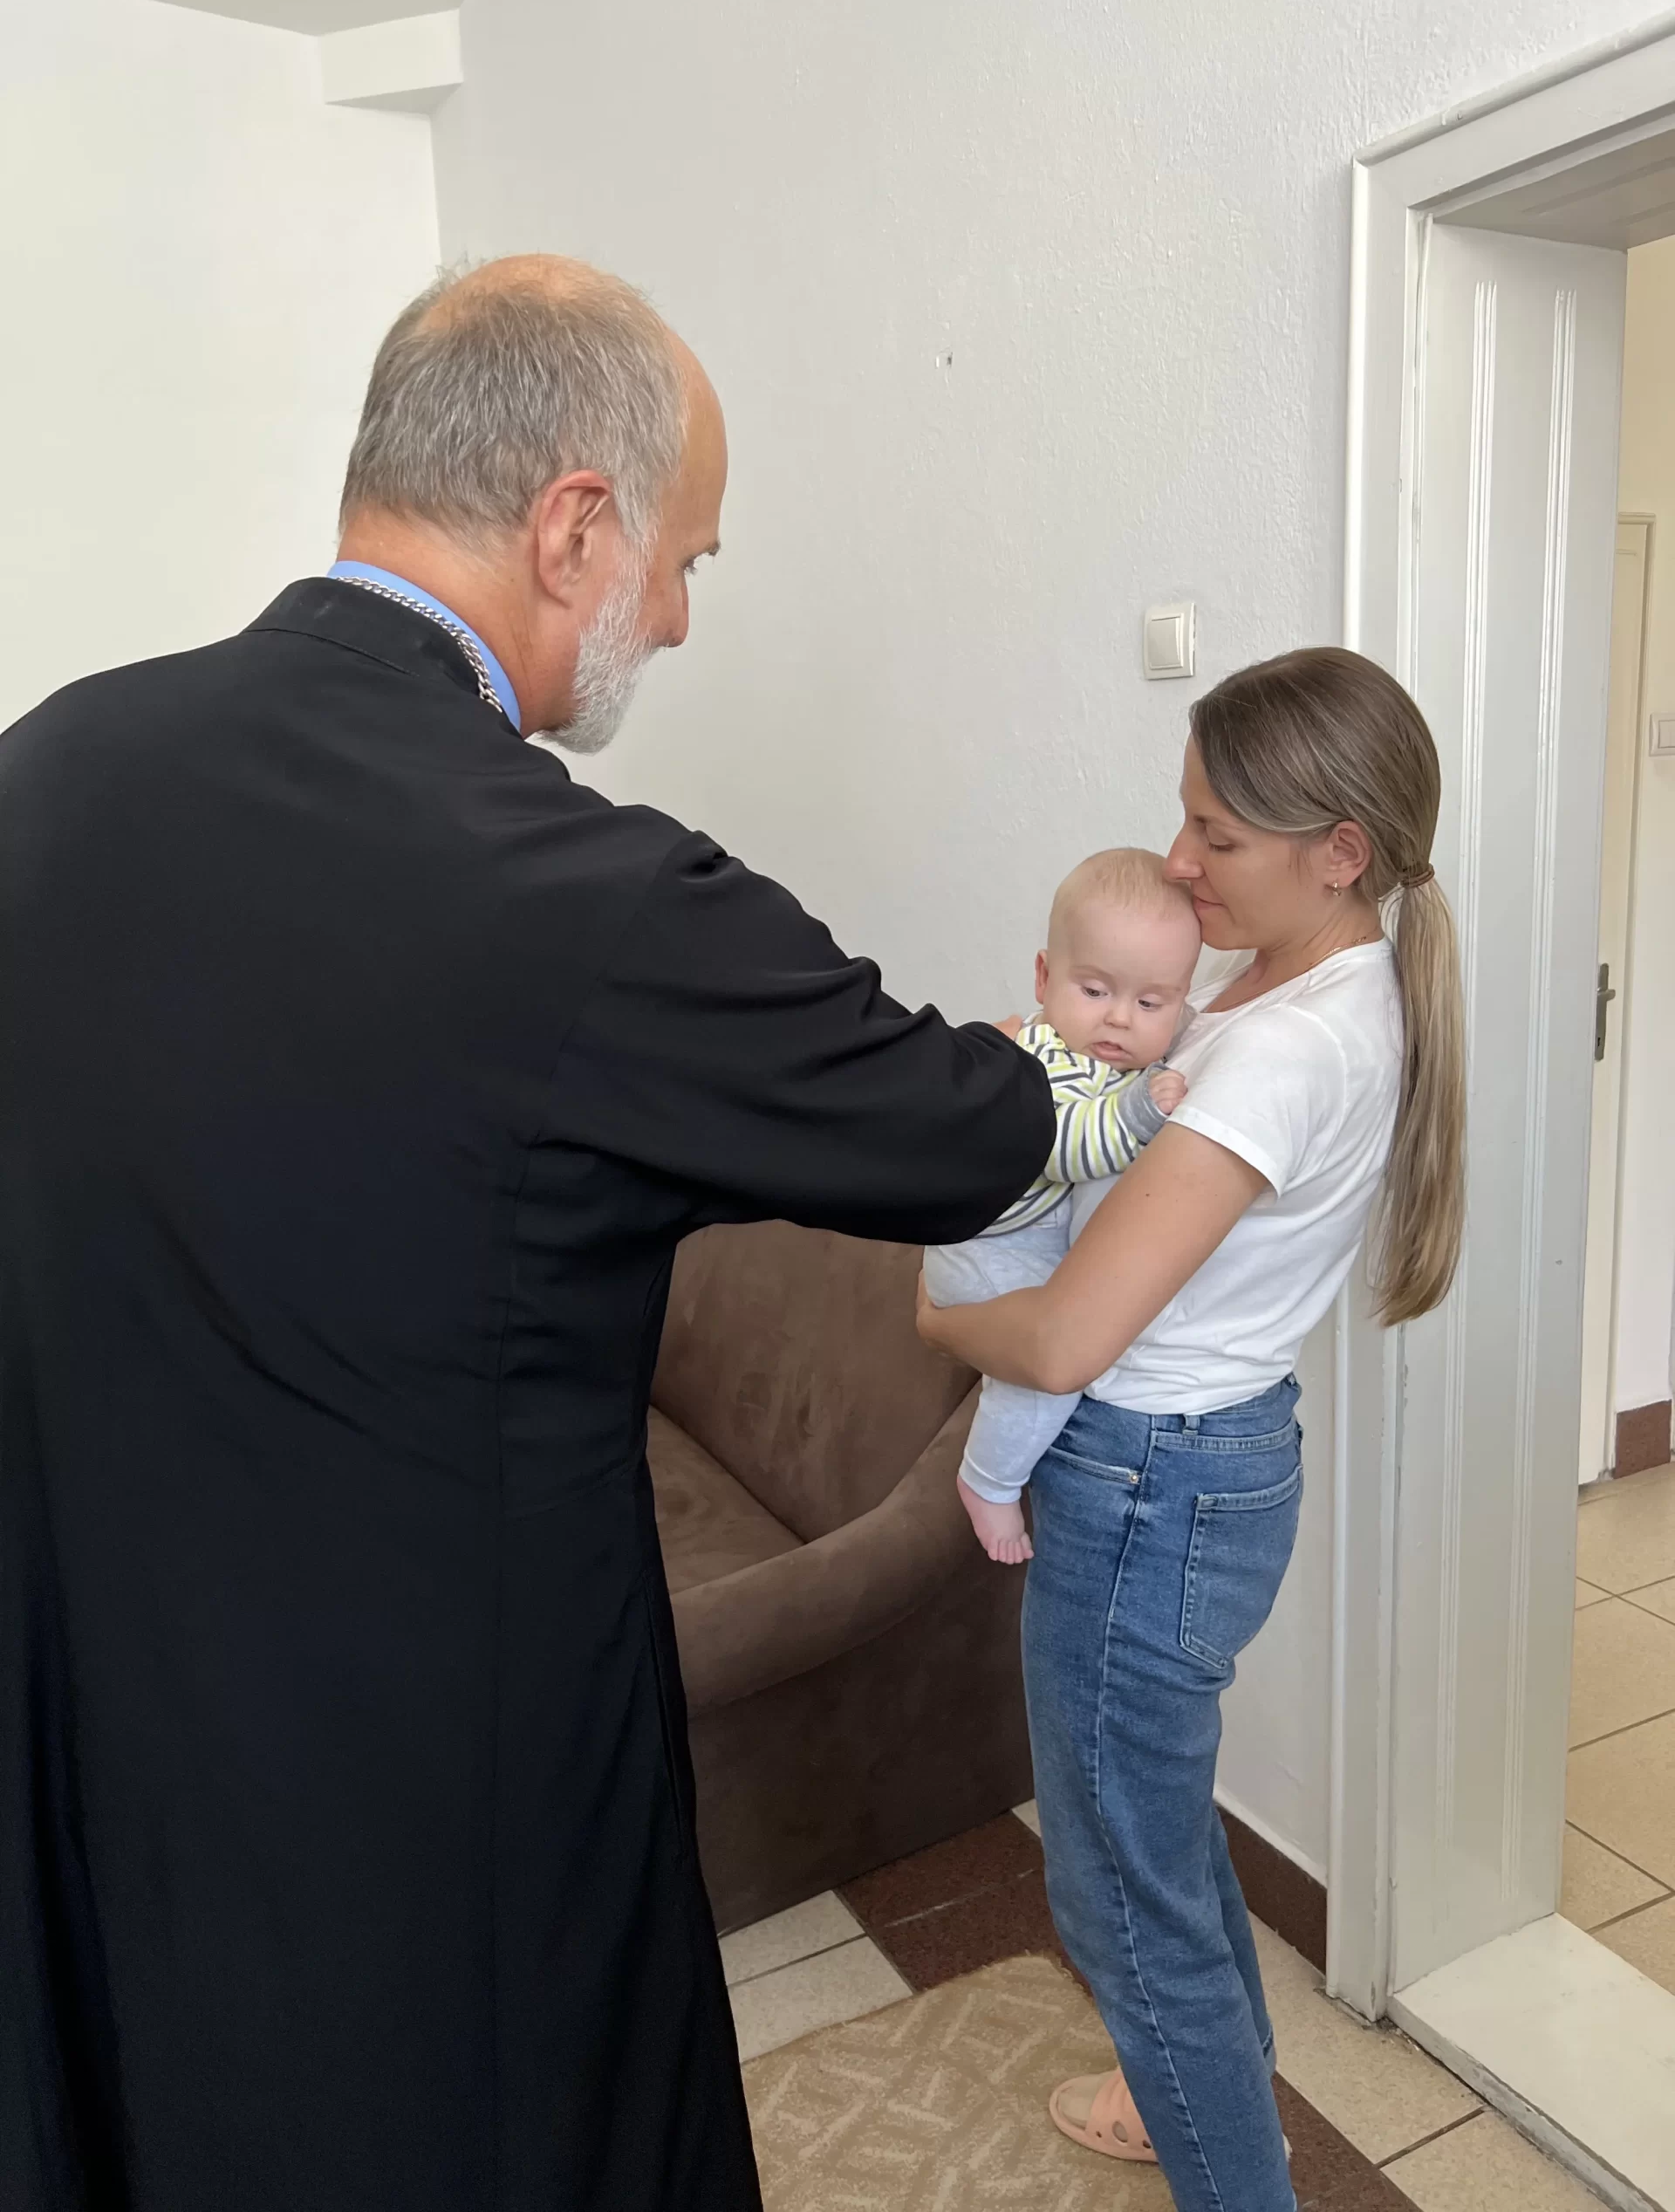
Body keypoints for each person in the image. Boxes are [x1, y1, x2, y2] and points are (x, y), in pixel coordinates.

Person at [0, 257, 1056, 2212]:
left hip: (93, 1689)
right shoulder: (582, 888)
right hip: (428, 1774)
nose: (671, 614)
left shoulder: (51, 760)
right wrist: (1107, 1065)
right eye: (685, 562)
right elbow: (972, 1136)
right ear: (575, 522)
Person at [918, 647, 1466, 2212]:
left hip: (1147, 1480)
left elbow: (1078, 1327)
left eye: (1216, 834)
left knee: (1121, 1902)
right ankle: (1187, 2114)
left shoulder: (1284, 1045)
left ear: (1336, 853)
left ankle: (1233, 2172)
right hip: (1207, 1465)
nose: (1178, 860)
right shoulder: (1310, 988)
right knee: (1158, 1847)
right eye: (1185, 819)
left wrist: (937, 1318)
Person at [922, 847, 1199, 1564]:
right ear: (1045, 977)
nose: (1118, 1021)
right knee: (1045, 1378)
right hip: (985, 1252)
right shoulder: (1043, 1061)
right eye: (1095, 990)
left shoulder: (1105, 1056)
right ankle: (988, 1481)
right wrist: (1140, 1112)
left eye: (1149, 1003)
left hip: (1018, 1242)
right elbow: (1066, 1146)